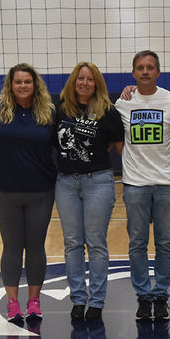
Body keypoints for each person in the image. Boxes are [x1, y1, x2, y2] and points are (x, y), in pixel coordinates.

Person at [0, 64, 57, 322]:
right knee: (12, 247)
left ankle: (34, 301)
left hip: (41, 191)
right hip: (5, 191)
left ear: (35, 84)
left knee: (36, 247)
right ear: (10, 85)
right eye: (18, 82)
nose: (23, 86)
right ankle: (12, 303)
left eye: (27, 81)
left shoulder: (49, 112)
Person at [115, 50, 170, 321]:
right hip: (135, 183)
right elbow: (115, 137)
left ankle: (162, 295)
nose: (145, 71)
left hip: (168, 182)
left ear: (158, 72)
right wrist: (129, 158)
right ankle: (144, 297)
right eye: (140, 68)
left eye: (150, 67)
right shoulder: (122, 103)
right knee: (138, 242)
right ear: (133, 73)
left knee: (165, 242)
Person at [55, 61, 124, 322]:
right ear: (74, 81)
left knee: (96, 244)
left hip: (98, 181)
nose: (85, 83)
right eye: (80, 78)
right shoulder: (60, 109)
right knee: (73, 243)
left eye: (90, 79)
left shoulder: (108, 111)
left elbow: (119, 148)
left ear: (97, 84)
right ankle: (77, 299)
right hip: (66, 184)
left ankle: (95, 302)